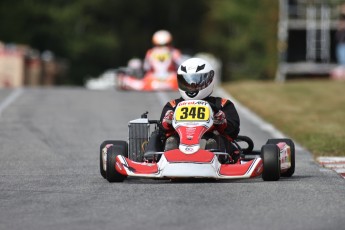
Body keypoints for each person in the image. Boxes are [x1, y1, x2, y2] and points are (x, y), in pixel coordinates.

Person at [159, 57, 241, 162]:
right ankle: (164, 157)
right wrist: (167, 123)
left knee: (214, 140)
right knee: (169, 139)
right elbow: (161, 132)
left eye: (196, 81)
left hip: (214, 142)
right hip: (180, 142)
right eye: (187, 81)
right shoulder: (173, 105)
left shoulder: (222, 104)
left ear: (209, 80)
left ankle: (215, 159)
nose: (192, 86)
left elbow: (233, 132)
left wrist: (222, 123)